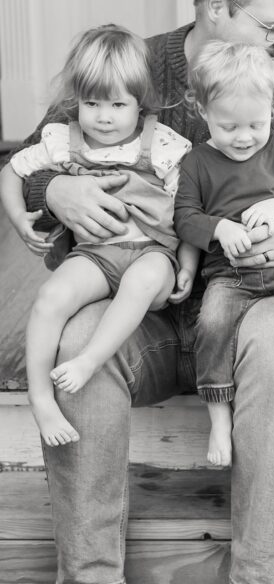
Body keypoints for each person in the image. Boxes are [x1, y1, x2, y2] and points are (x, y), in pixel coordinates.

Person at [18, 0, 274, 584]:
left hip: (259, 297)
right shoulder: (139, 63)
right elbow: (40, 154)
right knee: (79, 348)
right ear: (216, 7)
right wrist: (52, 189)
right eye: (273, 26)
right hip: (147, 306)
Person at [0, 25, 192, 447]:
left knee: (141, 284)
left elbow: (190, 209)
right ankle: (40, 397)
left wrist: (189, 263)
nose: (104, 116)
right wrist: (19, 218)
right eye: (92, 103)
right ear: (77, 101)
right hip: (96, 255)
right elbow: (11, 170)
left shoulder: (160, 144)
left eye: (118, 105)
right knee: (50, 299)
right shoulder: (63, 141)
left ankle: (91, 360)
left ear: (140, 103)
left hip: (151, 254)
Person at [174, 41, 274, 466]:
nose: (243, 138)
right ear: (202, 111)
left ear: (273, 109)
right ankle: (219, 414)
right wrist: (220, 227)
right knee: (213, 321)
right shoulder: (197, 162)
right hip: (229, 275)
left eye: (255, 125)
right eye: (228, 127)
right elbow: (185, 218)